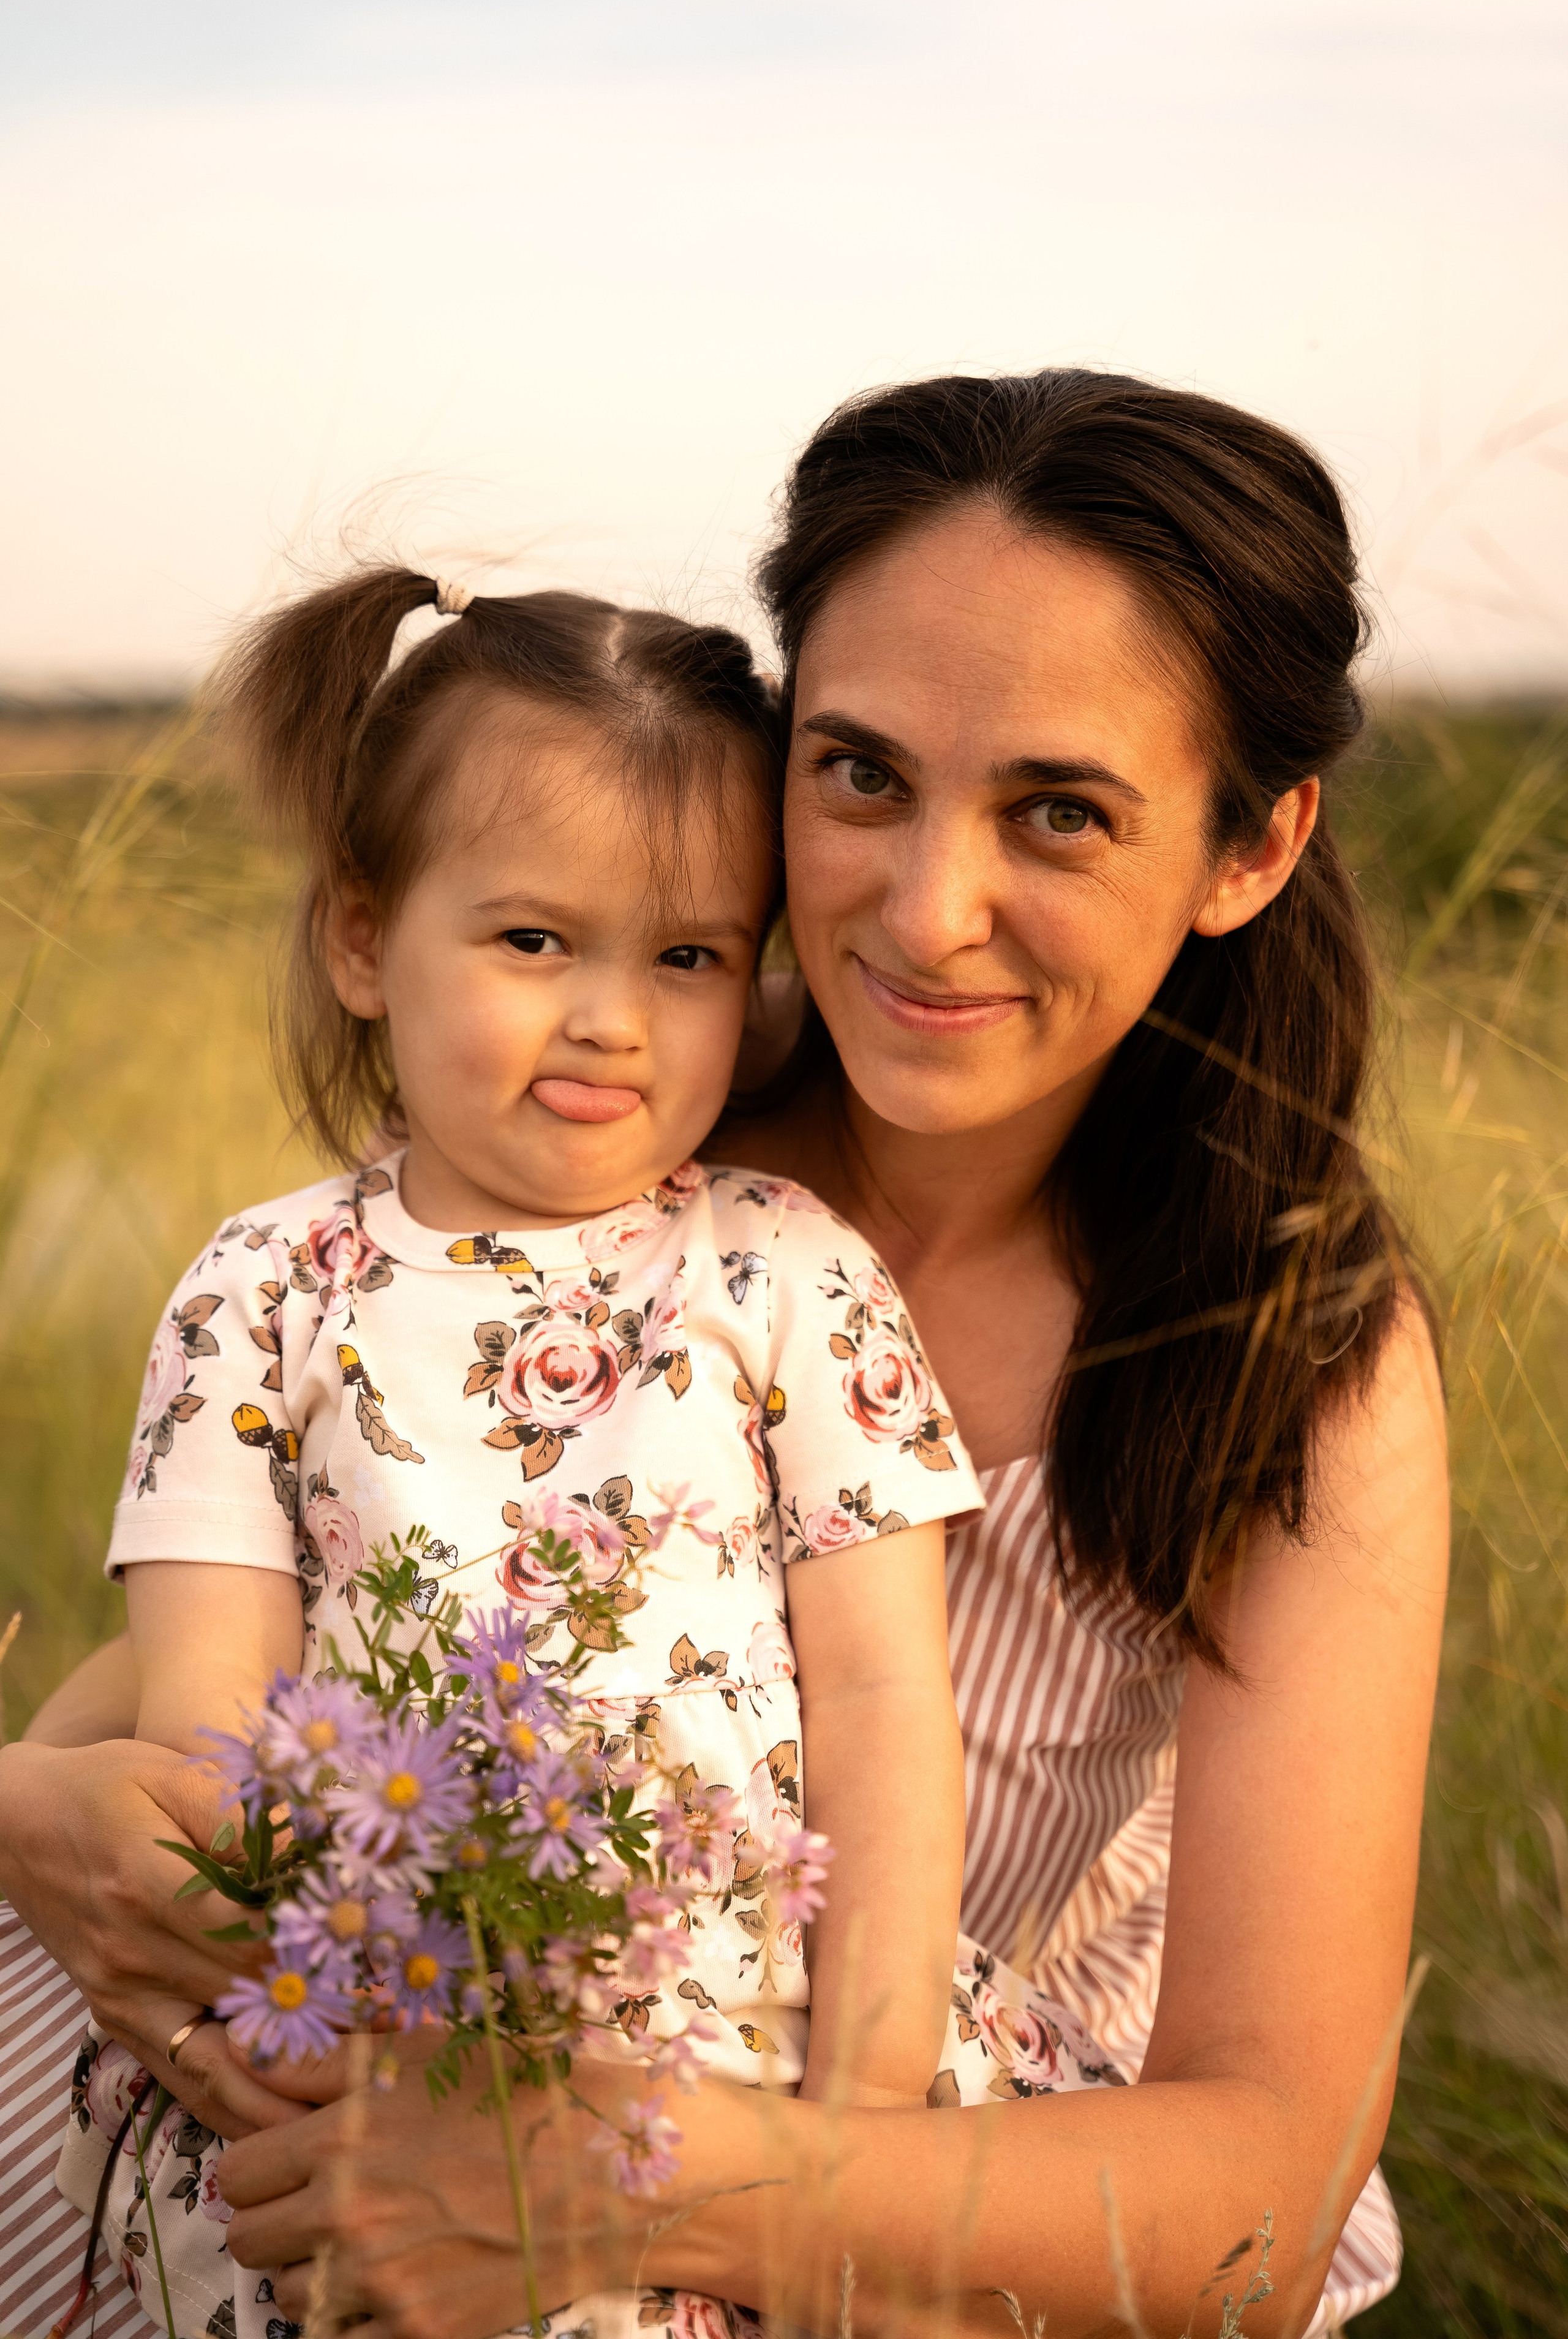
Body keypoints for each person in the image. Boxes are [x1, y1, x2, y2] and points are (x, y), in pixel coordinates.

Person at [0, 370, 1449, 2338]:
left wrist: (595, 2178)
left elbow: (1269, 2191)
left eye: (1060, 810)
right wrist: (35, 1815)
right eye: (859, 773)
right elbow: (294, 1628)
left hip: (898, 2171)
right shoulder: (624, 1150)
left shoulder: (1293, 1344)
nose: (929, 915)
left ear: (1249, 849)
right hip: (356, 2056)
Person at [10, 573, 1031, 2338]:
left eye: (689, 955)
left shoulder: (790, 1274)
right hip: (374, 2046)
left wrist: (850, 2143)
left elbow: (882, 1710)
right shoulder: (263, 1291)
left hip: (739, 2096)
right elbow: (216, 1728)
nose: (613, 1018)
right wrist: (391, 2086)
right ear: (360, 938)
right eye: (535, 941)